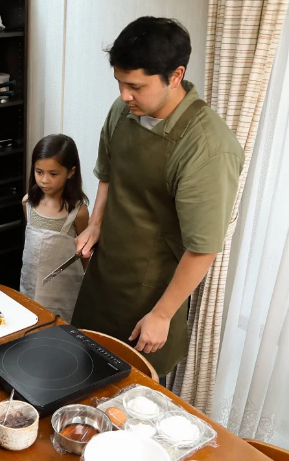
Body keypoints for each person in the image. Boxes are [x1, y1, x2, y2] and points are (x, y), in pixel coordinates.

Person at [71, 17, 243, 377]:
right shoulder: (124, 111)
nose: (123, 95)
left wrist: (163, 314)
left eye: (135, 86)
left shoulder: (208, 147)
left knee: (132, 399)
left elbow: (204, 246)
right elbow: (108, 172)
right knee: (80, 372)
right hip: (104, 276)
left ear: (176, 75)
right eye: (119, 83)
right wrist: (97, 223)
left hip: (150, 294)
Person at [20, 135, 89, 321]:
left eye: (53, 174)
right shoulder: (28, 203)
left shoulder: (78, 211)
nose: (44, 180)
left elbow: (84, 256)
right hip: (30, 286)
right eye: (39, 172)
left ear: (71, 172)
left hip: (63, 293)